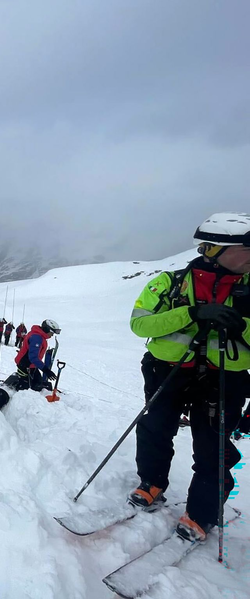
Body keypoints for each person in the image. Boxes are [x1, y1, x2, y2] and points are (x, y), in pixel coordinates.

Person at [128, 212, 250, 543]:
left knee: (212, 447)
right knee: (155, 428)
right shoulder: (169, 283)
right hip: (168, 371)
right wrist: (192, 314)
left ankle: (201, 514)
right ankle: (151, 483)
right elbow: (140, 324)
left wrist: (242, 324)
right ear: (216, 249)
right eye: (247, 248)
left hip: (223, 379)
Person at [10, 319, 60, 391]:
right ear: (47, 329)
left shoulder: (39, 335)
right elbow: (33, 357)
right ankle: (18, 395)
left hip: (32, 365)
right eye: (52, 332)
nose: (52, 335)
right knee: (26, 388)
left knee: (38, 383)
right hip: (25, 365)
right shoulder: (37, 338)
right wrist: (46, 370)